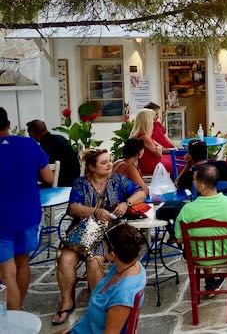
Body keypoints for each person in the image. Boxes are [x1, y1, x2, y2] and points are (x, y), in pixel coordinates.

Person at [53, 149, 146, 326]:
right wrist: (95, 211)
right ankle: (66, 302)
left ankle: (96, 305)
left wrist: (126, 204)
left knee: (94, 260)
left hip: (107, 233)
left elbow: (141, 191)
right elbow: (73, 208)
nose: (109, 164)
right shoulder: (81, 183)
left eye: (109, 160)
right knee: (65, 260)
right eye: (104, 162)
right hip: (81, 232)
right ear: (91, 167)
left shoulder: (117, 180)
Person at [0, 107, 53, 311]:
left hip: (1, 218)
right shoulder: (29, 144)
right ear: (9, 124)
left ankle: (14, 315)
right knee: (22, 263)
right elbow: (48, 178)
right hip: (27, 214)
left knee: (7, 272)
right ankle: (19, 307)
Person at [60, 223, 146, 334]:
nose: (102, 248)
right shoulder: (131, 265)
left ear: (113, 255)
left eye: (104, 245)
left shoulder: (122, 295)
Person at [175, 164, 227, 293]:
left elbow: (179, 239)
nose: (193, 183)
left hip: (198, 257)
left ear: (201, 185)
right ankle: (211, 282)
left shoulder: (187, 210)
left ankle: (209, 280)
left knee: (200, 246)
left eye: (194, 180)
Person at [26, 119, 80, 187]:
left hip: (60, 185)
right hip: (74, 181)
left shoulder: (43, 147)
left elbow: (45, 173)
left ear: (32, 134)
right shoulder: (60, 138)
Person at [129, 108, 173, 176]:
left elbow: (160, 147)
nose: (153, 122)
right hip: (151, 166)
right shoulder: (144, 137)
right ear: (147, 121)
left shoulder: (139, 134)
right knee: (178, 165)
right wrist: (159, 148)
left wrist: (159, 148)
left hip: (147, 164)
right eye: (152, 120)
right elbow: (158, 154)